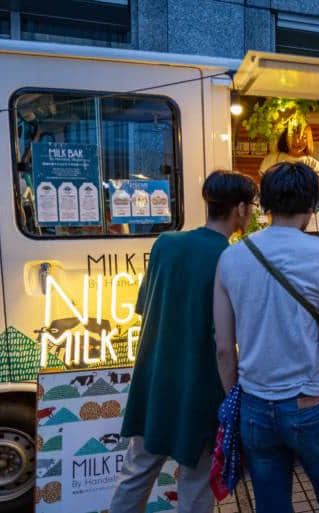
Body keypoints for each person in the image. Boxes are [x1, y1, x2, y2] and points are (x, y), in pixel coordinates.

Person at [214, 162, 319, 513]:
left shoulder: (231, 257)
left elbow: (223, 348)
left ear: (264, 205)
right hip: (311, 404)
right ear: (312, 207)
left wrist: (240, 398)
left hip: (254, 408)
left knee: (271, 506)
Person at [110, 171, 257, 513]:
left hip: (155, 380)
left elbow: (143, 308)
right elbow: (226, 342)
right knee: (195, 484)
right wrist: (233, 392)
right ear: (240, 209)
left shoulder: (166, 243)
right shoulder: (233, 258)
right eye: (251, 206)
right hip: (201, 385)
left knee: (136, 472)